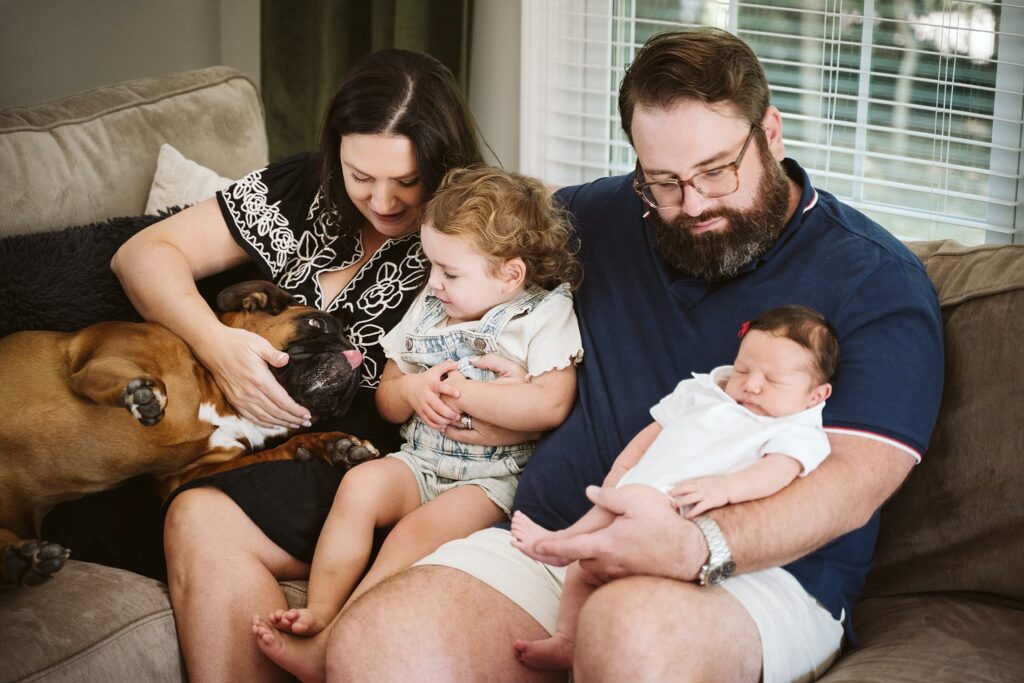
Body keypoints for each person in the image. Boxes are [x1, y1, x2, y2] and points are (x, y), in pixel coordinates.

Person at [315, 27, 945, 683]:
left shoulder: (874, 279)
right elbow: (470, 249)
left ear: (772, 132)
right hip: (551, 542)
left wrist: (699, 543)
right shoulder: (600, 218)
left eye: (716, 170)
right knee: (373, 648)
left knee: (628, 632)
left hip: (752, 579)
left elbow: (852, 483)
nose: (694, 203)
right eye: (665, 181)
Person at [109, 49, 518, 682]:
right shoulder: (303, 188)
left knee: (197, 514)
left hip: (366, 458)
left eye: (407, 182)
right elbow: (142, 256)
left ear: (441, 167)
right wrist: (216, 343)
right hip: (235, 430)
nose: (382, 201)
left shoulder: (472, 233)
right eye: (361, 175)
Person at [248, 166, 582, 678]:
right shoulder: (430, 309)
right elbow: (388, 395)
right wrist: (411, 389)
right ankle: (320, 610)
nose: (434, 283)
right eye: (431, 266)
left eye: (450, 272)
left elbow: (551, 405)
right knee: (359, 486)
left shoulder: (541, 317)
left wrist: (467, 394)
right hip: (420, 458)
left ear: (510, 274)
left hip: (491, 481)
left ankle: (337, 638)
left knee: (412, 533)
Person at [510, 305, 838, 670]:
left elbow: (776, 472)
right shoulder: (703, 390)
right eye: (744, 369)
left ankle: (561, 544)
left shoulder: (796, 430)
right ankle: (567, 638)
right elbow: (649, 436)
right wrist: (620, 472)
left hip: (682, 514)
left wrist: (723, 489)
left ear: (816, 396)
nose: (751, 384)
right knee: (584, 570)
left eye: (773, 381)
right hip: (636, 491)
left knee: (606, 537)